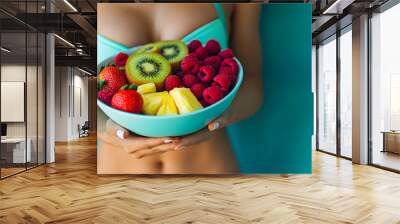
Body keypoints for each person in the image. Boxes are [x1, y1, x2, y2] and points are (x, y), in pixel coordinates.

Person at [97, 3, 263, 174]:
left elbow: (252, 84)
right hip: (117, 174)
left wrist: (217, 120)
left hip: (208, 170)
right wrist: (112, 135)